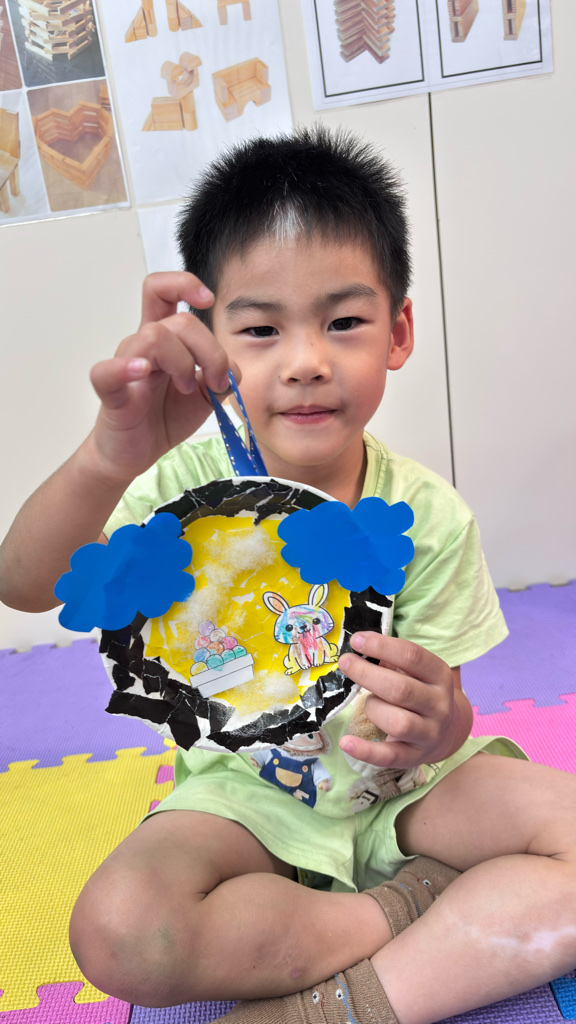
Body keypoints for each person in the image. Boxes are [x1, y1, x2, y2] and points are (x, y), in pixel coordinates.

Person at [1, 127, 575, 1024]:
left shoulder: (425, 514)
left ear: (398, 332)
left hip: (410, 798)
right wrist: (110, 454)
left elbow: (444, 714)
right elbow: (24, 583)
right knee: (121, 931)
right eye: (262, 329)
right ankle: (411, 908)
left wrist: (443, 722)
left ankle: (334, 1007)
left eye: (343, 322)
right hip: (243, 805)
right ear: (208, 341)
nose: (306, 360)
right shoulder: (174, 494)